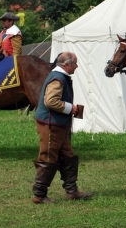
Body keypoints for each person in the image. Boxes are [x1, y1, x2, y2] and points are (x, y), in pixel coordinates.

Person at [32, 52, 92, 204]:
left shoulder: (60, 77)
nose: (77, 66)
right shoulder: (58, 78)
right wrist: (70, 108)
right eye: (75, 63)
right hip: (51, 124)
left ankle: (72, 191)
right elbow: (51, 101)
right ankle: (39, 194)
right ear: (67, 65)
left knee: (68, 156)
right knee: (48, 158)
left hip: (58, 124)